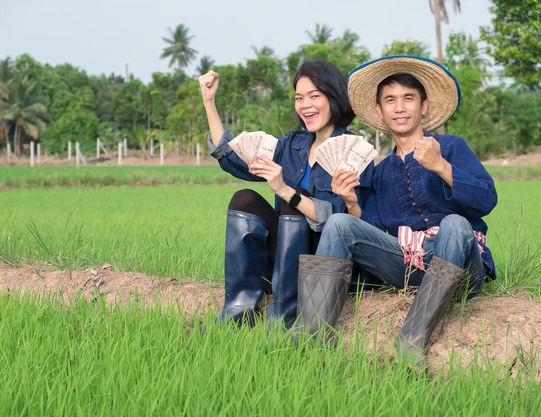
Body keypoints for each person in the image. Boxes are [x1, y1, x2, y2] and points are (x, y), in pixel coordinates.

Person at [295, 55, 498, 367]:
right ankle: (312, 336)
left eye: (408, 98)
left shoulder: (452, 146)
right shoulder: (381, 170)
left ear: (424, 106)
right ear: (380, 111)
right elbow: (372, 230)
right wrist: (350, 201)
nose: (400, 107)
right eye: (390, 100)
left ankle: (411, 341)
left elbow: (487, 199)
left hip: (460, 268)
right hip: (407, 266)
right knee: (338, 222)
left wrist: (442, 167)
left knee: (455, 224)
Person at [198, 60, 373, 328]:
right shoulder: (291, 145)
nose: (306, 105)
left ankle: (284, 318)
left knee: (295, 199)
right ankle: (237, 312)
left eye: (315, 96)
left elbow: (339, 221)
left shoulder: (353, 152)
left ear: (334, 98)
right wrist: (209, 101)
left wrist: (284, 190)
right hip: (285, 261)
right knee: (244, 199)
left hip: (326, 262)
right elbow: (232, 156)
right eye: (299, 98)